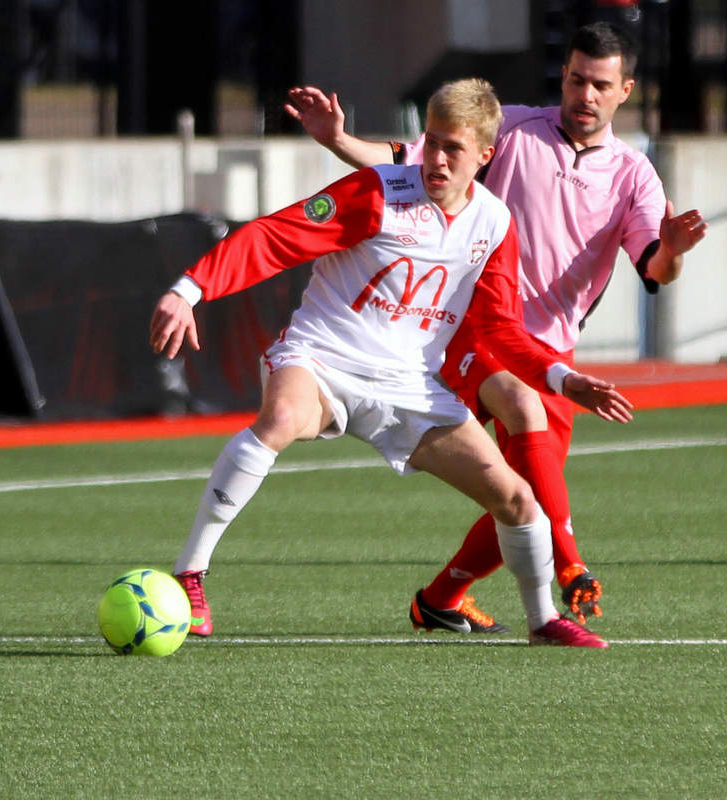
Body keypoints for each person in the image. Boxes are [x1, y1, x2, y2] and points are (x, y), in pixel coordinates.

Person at [151, 77, 632, 648]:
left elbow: (501, 327)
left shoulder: (494, 223)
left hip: (410, 386)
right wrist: (189, 289)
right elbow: (275, 237)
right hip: (323, 358)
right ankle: (190, 574)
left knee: (518, 499)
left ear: (484, 154)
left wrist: (563, 377)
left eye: (454, 148)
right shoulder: (378, 191)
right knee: (279, 420)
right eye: (431, 141)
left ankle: (542, 620)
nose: (436, 158)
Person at [284, 21, 707, 629]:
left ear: (625, 91)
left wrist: (672, 249)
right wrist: (340, 140)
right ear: (563, 75)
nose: (586, 94)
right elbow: (411, 158)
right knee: (524, 447)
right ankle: (569, 570)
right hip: (476, 335)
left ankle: (441, 597)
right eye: (578, 79)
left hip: (549, 356)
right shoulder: (511, 127)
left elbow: (655, 268)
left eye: (602, 85)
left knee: (523, 495)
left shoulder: (634, 175)